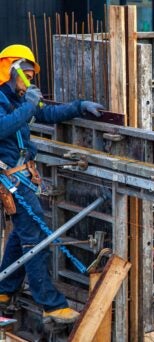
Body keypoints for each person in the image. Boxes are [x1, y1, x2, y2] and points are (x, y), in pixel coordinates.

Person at [0, 44, 104, 324]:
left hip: (22, 176)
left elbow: (47, 113)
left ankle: (4, 289)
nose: (31, 79)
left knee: (23, 234)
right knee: (36, 239)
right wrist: (30, 106)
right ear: (13, 69)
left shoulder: (23, 99)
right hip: (9, 178)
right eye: (28, 74)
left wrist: (79, 106)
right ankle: (50, 304)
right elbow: (2, 128)